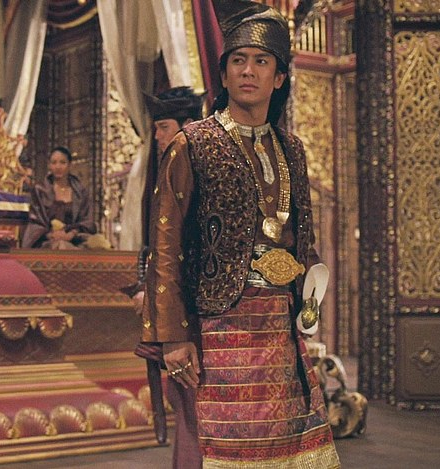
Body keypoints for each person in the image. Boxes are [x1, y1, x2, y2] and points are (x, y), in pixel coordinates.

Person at [143, 0, 341, 466]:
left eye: (261, 61)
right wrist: (173, 336)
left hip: (279, 325)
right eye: (238, 60)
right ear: (224, 74)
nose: (248, 71)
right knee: (224, 447)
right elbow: (165, 247)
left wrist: (309, 295)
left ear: (279, 77)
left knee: (288, 449)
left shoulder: (292, 149)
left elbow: (303, 241)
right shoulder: (192, 143)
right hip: (218, 327)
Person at [124, 86, 204, 465]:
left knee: (197, 408)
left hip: (198, 308)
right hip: (176, 306)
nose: (156, 136)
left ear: (187, 126)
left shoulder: (200, 167)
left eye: (163, 127)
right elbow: (162, 248)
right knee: (186, 408)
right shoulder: (169, 168)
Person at [21, 146, 102, 249]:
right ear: (49, 165)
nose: (58, 167)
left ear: (70, 165)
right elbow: (36, 223)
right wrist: (51, 235)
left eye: (62, 162)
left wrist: (71, 234)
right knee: (61, 246)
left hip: (76, 239)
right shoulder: (40, 190)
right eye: (54, 163)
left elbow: (87, 221)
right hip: (47, 240)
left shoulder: (80, 192)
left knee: (97, 246)